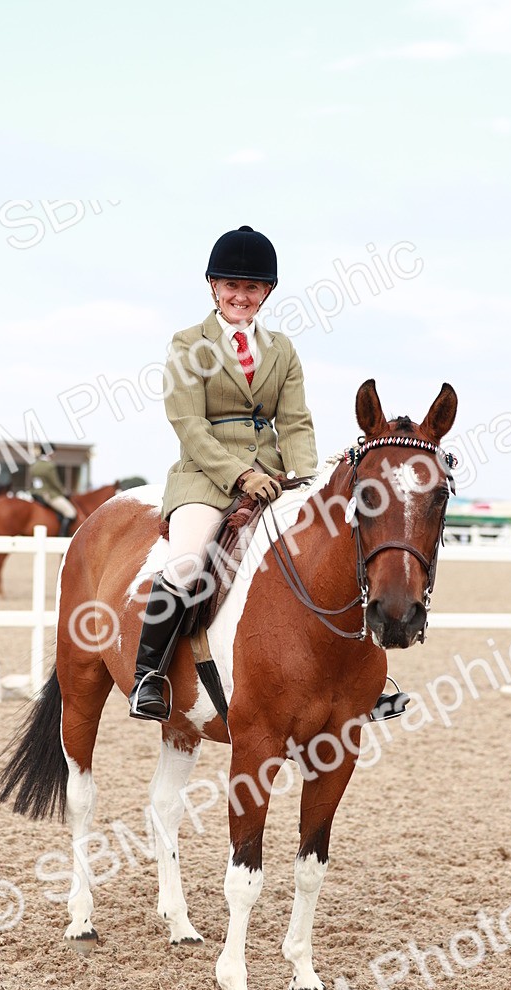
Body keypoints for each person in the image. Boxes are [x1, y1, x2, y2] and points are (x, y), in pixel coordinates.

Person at [129, 225, 319, 721]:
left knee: (329, 551)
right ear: (212, 285)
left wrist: (308, 478)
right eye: (231, 285)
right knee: (188, 563)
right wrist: (240, 475)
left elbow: (295, 422)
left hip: (276, 478)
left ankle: (359, 679)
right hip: (205, 477)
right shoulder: (188, 344)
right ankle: (148, 676)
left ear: (267, 292)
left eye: (252, 287)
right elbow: (188, 425)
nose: (241, 295)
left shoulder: (282, 349)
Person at [30, 446, 77, 536]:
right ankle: (62, 536)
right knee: (71, 512)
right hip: (48, 494)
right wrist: (64, 492)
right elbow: (55, 483)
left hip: (35, 493)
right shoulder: (49, 465)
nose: (54, 454)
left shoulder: (35, 465)